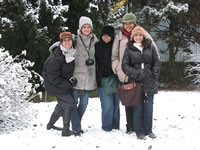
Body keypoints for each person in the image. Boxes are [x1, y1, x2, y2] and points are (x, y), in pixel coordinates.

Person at [111, 12, 160, 134]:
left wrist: (153, 74)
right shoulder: (119, 37)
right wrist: (118, 69)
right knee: (130, 101)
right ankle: (131, 126)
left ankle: (144, 127)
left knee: (142, 103)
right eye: (126, 23)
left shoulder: (144, 35)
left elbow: (155, 55)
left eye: (130, 23)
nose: (128, 25)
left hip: (145, 77)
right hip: (126, 73)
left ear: (134, 23)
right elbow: (114, 56)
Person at [122, 26, 161, 139]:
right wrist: (137, 73)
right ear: (133, 37)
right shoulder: (128, 49)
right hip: (136, 82)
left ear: (143, 36)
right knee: (137, 107)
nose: (138, 37)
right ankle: (139, 131)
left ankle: (148, 130)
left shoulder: (150, 47)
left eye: (140, 35)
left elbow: (157, 62)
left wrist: (154, 75)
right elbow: (125, 66)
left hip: (149, 81)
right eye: (136, 35)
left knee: (149, 106)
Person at [43, 32, 79, 136]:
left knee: (62, 104)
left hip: (61, 83)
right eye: (65, 41)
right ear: (61, 42)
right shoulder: (56, 57)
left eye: (69, 40)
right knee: (70, 103)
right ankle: (66, 130)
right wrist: (68, 84)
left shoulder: (70, 53)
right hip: (53, 84)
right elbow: (53, 78)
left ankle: (50, 124)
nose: (67, 42)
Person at [70, 16, 98, 134]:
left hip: (89, 78)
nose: (86, 29)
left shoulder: (95, 41)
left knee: (84, 104)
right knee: (73, 103)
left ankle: (76, 123)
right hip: (76, 77)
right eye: (84, 27)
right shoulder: (74, 39)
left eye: (88, 27)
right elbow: (60, 45)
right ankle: (76, 127)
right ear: (80, 28)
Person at [95, 25, 120, 131]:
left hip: (116, 78)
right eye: (104, 35)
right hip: (103, 79)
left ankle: (115, 126)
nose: (106, 38)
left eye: (108, 36)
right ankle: (107, 126)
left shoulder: (115, 46)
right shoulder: (97, 46)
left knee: (116, 104)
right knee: (107, 105)